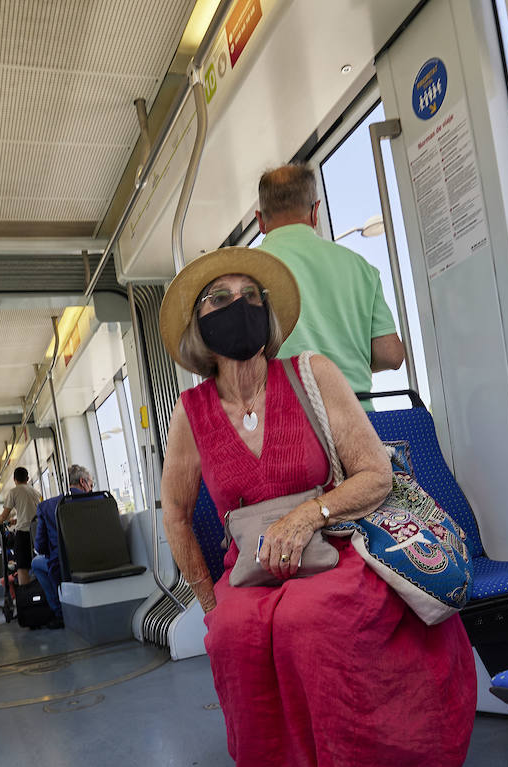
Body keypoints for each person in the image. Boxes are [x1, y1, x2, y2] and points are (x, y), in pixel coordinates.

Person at [157, 246, 475, 766]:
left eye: (250, 296)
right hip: (249, 570)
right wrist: (208, 606)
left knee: (308, 621)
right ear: (199, 327)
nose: (239, 305)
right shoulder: (189, 415)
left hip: (335, 542)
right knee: (234, 636)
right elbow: (174, 513)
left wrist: (309, 515)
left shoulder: (311, 373)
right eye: (219, 298)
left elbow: (376, 473)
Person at [254, 164, 406, 405]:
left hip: (287, 424)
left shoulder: (246, 272)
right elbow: (391, 354)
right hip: (359, 421)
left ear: (260, 220)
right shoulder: (361, 268)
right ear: (315, 212)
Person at [30, 464, 95, 629]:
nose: (92, 489)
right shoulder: (100, 500)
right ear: (83, 482)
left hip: (64, 566)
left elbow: (41, 546)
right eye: (91, 485)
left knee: (36, 563)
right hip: (97, 560)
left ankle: (59, 612)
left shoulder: (47, 507)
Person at [0, 467, 42, 585]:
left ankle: (26, 595)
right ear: (27, 478)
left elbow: (3, 516)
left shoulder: (13, 492)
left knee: (22, 567)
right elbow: (33, 514)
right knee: (39, 562)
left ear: (14, 479)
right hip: (37, 532)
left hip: (23, 534)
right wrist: (16, 520)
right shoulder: (36, 492)